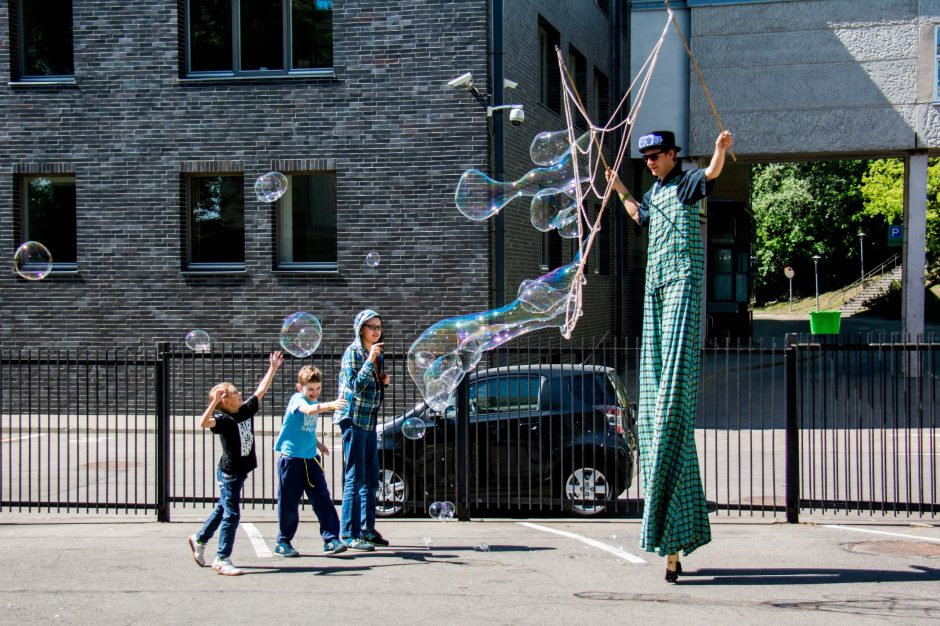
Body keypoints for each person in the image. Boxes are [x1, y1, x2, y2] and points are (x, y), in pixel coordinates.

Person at [607, 129, 733, 583]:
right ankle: (675, 545)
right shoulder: (655, 189)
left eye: (656, 156)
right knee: (656, 399)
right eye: (646, 159)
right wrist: (621, 189)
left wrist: (718, 150)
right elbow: (639, 215)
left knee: (670, 410)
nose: (651, 163)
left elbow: (714, 174)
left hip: (681, 282)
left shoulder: (688, 181)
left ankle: (672, 540)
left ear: (673, 154)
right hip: (655, 287)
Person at [187, 351, 284, 576]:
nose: (240, 394)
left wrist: (273, 368)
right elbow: (202, 423)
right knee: (231, 514)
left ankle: (199, 538)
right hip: (229, 474)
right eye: (235, 393)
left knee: (223, 508)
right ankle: (222, 558)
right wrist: (214, 404)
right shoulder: (223, 419)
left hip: (241, 471)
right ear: (225, 401)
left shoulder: (243, 410)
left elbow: (260, 392)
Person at [272, 365, 348, 558]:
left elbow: (305, 429)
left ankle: (331, 539)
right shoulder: (297, 400)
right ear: (300, 387)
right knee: (289, 503)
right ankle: (283, 541)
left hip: (310, 460)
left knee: (322, 499)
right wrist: (329, 405)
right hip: (291, 460)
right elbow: (307, 411)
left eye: (318, 388)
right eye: (310, 389)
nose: (315, 393)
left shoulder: (314, 400)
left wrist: (318, 444)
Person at [333, 309, 390, 550]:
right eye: (371, 327)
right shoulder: (354, 353)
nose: (376, 331)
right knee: (354, 478)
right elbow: (354, 386)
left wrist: (382, 379)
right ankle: (348, 533)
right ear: (361, 329)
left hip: (368, 421)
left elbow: (370, 386)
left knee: (371, 479)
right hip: (353, 419)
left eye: (379, 327)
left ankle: (366, 529)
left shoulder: (376, 353)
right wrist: (369, 362)